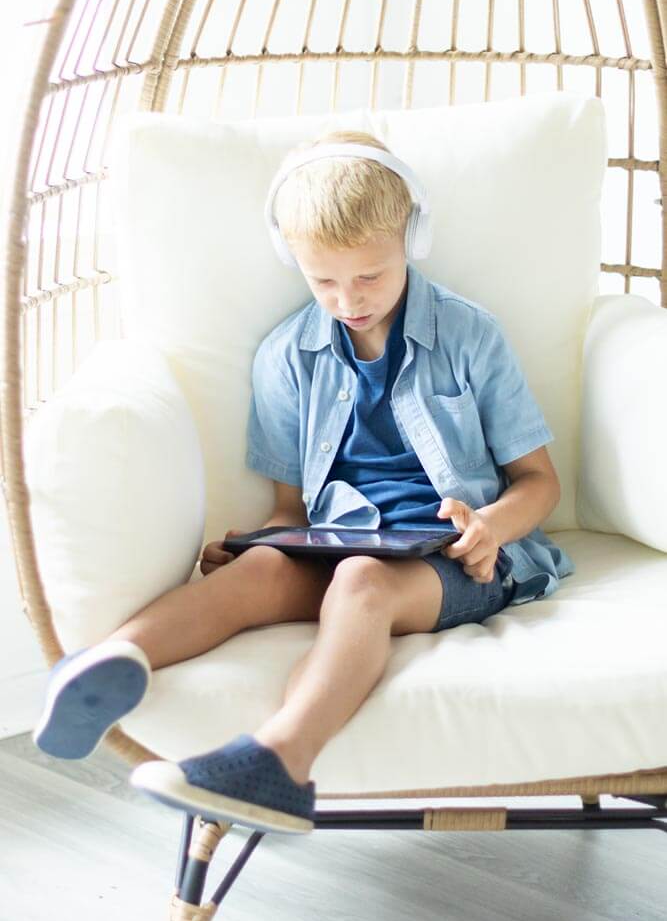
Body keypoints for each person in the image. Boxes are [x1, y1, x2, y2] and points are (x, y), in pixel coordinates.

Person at [32, 129, 575, 836]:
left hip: (452, 556)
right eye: (322, 281)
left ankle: (279, 762)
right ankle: (102, 667)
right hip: (338, 541)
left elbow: (538, 482)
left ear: (411, 240)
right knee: (259, 568)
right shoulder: (287, 355)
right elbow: (294, 504)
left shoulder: (471, 337)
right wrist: (267, 536)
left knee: (360, 583)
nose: (347, 300)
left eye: (369, 277)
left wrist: (489, 527)